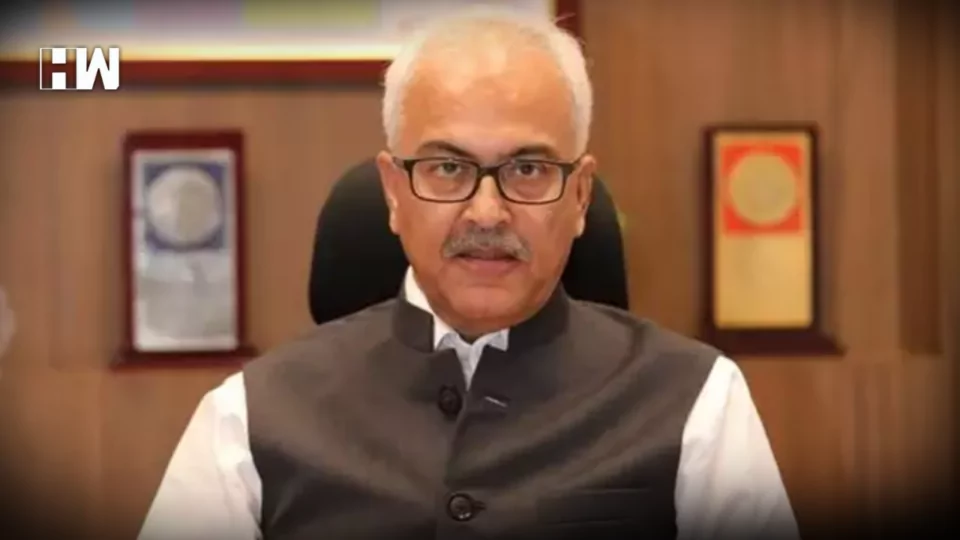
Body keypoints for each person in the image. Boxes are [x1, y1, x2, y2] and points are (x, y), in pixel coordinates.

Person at [139, 8, 799, 540]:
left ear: (579, 196)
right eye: (448, 169)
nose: (487, 212)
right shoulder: (248, 418)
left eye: (528, 169)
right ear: (393, 193)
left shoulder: (700, 403)